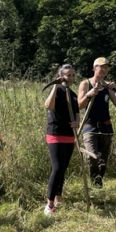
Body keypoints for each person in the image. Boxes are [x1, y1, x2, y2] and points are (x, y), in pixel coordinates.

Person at [77, 57, 116, 187]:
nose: (104, 70)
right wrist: (90, 94)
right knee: (92, 156)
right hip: (90, 127)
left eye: (106, 68)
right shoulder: (86, 83)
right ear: (94, 68)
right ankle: (95, 182)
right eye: (101, 67)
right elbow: (79, 105)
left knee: (103, 159)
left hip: (106, 128)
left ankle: (98, 183)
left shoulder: (107, 86)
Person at [43, 64, 80, 215]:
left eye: (72, 75)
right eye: (67, 75)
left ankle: (59, 197)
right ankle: (49, 203)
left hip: (69, 135)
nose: (70, 77)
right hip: (56, 133)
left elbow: (77, 112)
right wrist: (55, 86)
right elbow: (48, 106)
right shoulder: (57, 90)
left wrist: (77, 122)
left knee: (63, 168)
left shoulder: (72, 94)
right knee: (57, 168)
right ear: (60, 76)